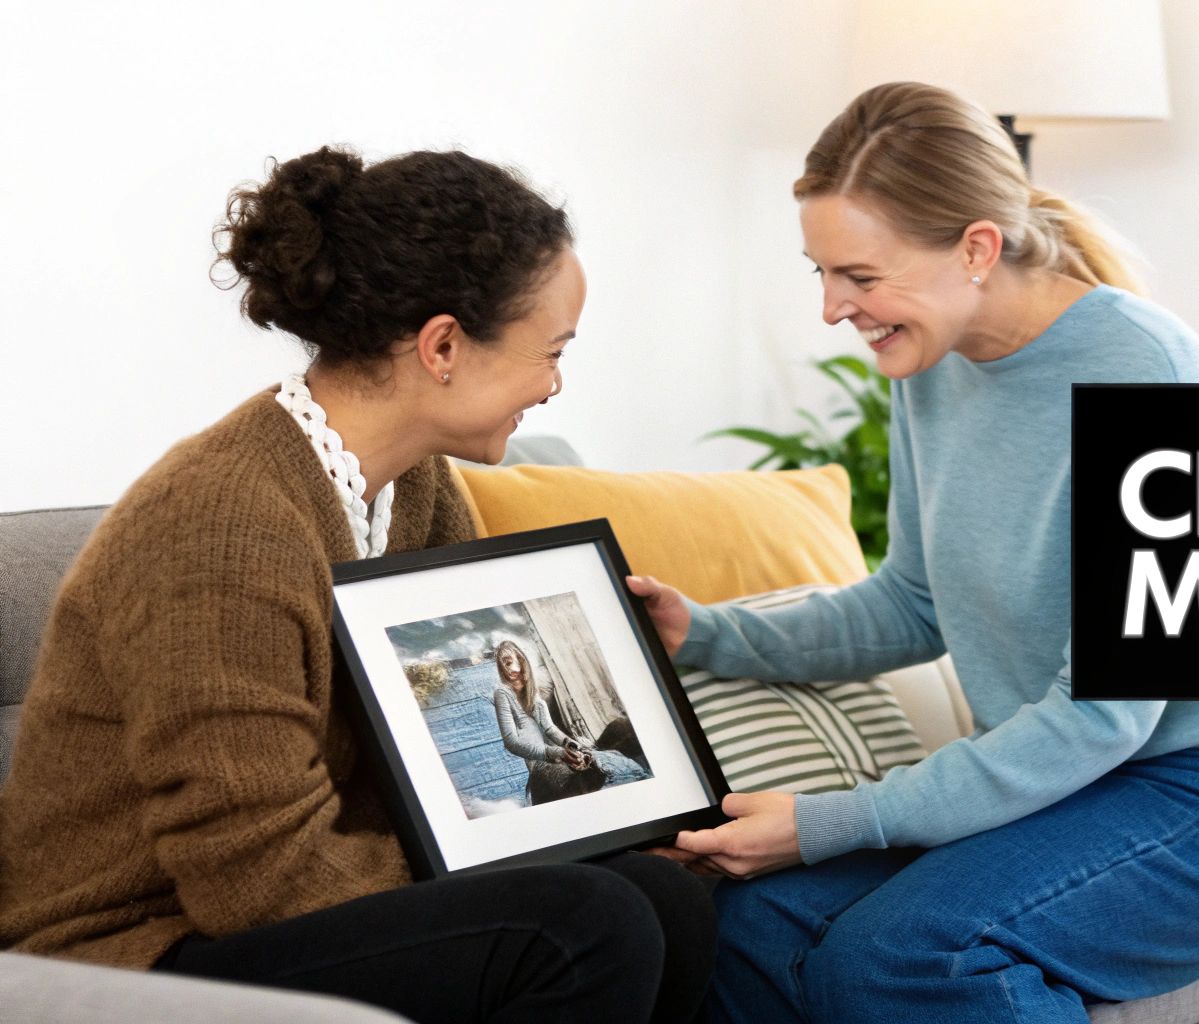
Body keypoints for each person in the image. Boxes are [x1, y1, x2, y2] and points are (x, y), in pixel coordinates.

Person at [627, 82, 1199, 1024]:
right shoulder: (934, 362)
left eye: (861, 277)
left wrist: (835, 820)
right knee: (746, 926)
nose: (833, 307)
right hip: (1062, 793)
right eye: (821, 273)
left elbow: (1105, 718)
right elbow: (913, 603)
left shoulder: (1147, 375)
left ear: (977, 249)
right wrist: (703, 634)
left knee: (902, 956)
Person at [0, 146, 713, 1023]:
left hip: (266, 904)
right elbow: (254, 876)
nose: (555, 384)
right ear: (443, 345)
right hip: (138, 940)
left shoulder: (415, 484)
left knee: (665, 894)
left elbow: (428, 768)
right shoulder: (220, 522)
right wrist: (523, 856)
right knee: (584, 923)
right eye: (550, 352)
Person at [492, 638, 652, 804]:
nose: (512, 667)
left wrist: (574, 746)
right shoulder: (503, 694)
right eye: (506, 663)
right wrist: (555, 753)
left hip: (559, 755)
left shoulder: (537, 699)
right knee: (556, 773)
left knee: (619, 729)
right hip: (542, 761)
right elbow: (511, 742)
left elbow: (550, 728)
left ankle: (603, 772)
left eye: (517, 660)